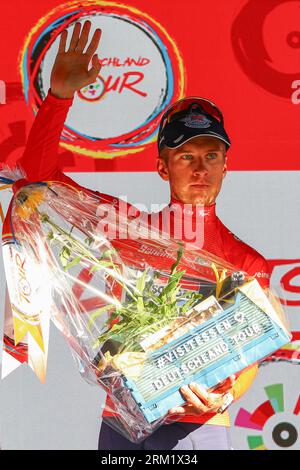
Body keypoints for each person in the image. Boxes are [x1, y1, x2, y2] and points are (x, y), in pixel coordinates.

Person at [11, 20, 270, 450]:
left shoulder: (247, 261)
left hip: (202, 425)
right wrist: (58, 97)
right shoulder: (125, 228)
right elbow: (37, 181)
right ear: (162, 168)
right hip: (123, 421)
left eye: (212, 155)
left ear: (227, 165)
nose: (201, 168)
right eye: (185, 156)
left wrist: (225, 394)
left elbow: (251, 353)